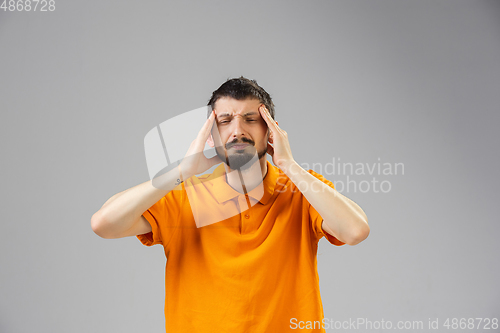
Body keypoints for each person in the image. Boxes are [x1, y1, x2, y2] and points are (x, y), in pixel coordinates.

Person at [91, 76, 369, 332]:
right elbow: (104, 224)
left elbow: (355, 230)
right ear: (211, 136)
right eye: (225, 121)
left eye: (250, 119)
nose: (237, 130)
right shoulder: (183, 196)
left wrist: (290, 165)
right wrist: (181, 172)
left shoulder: (301, 191)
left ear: (270, 130)